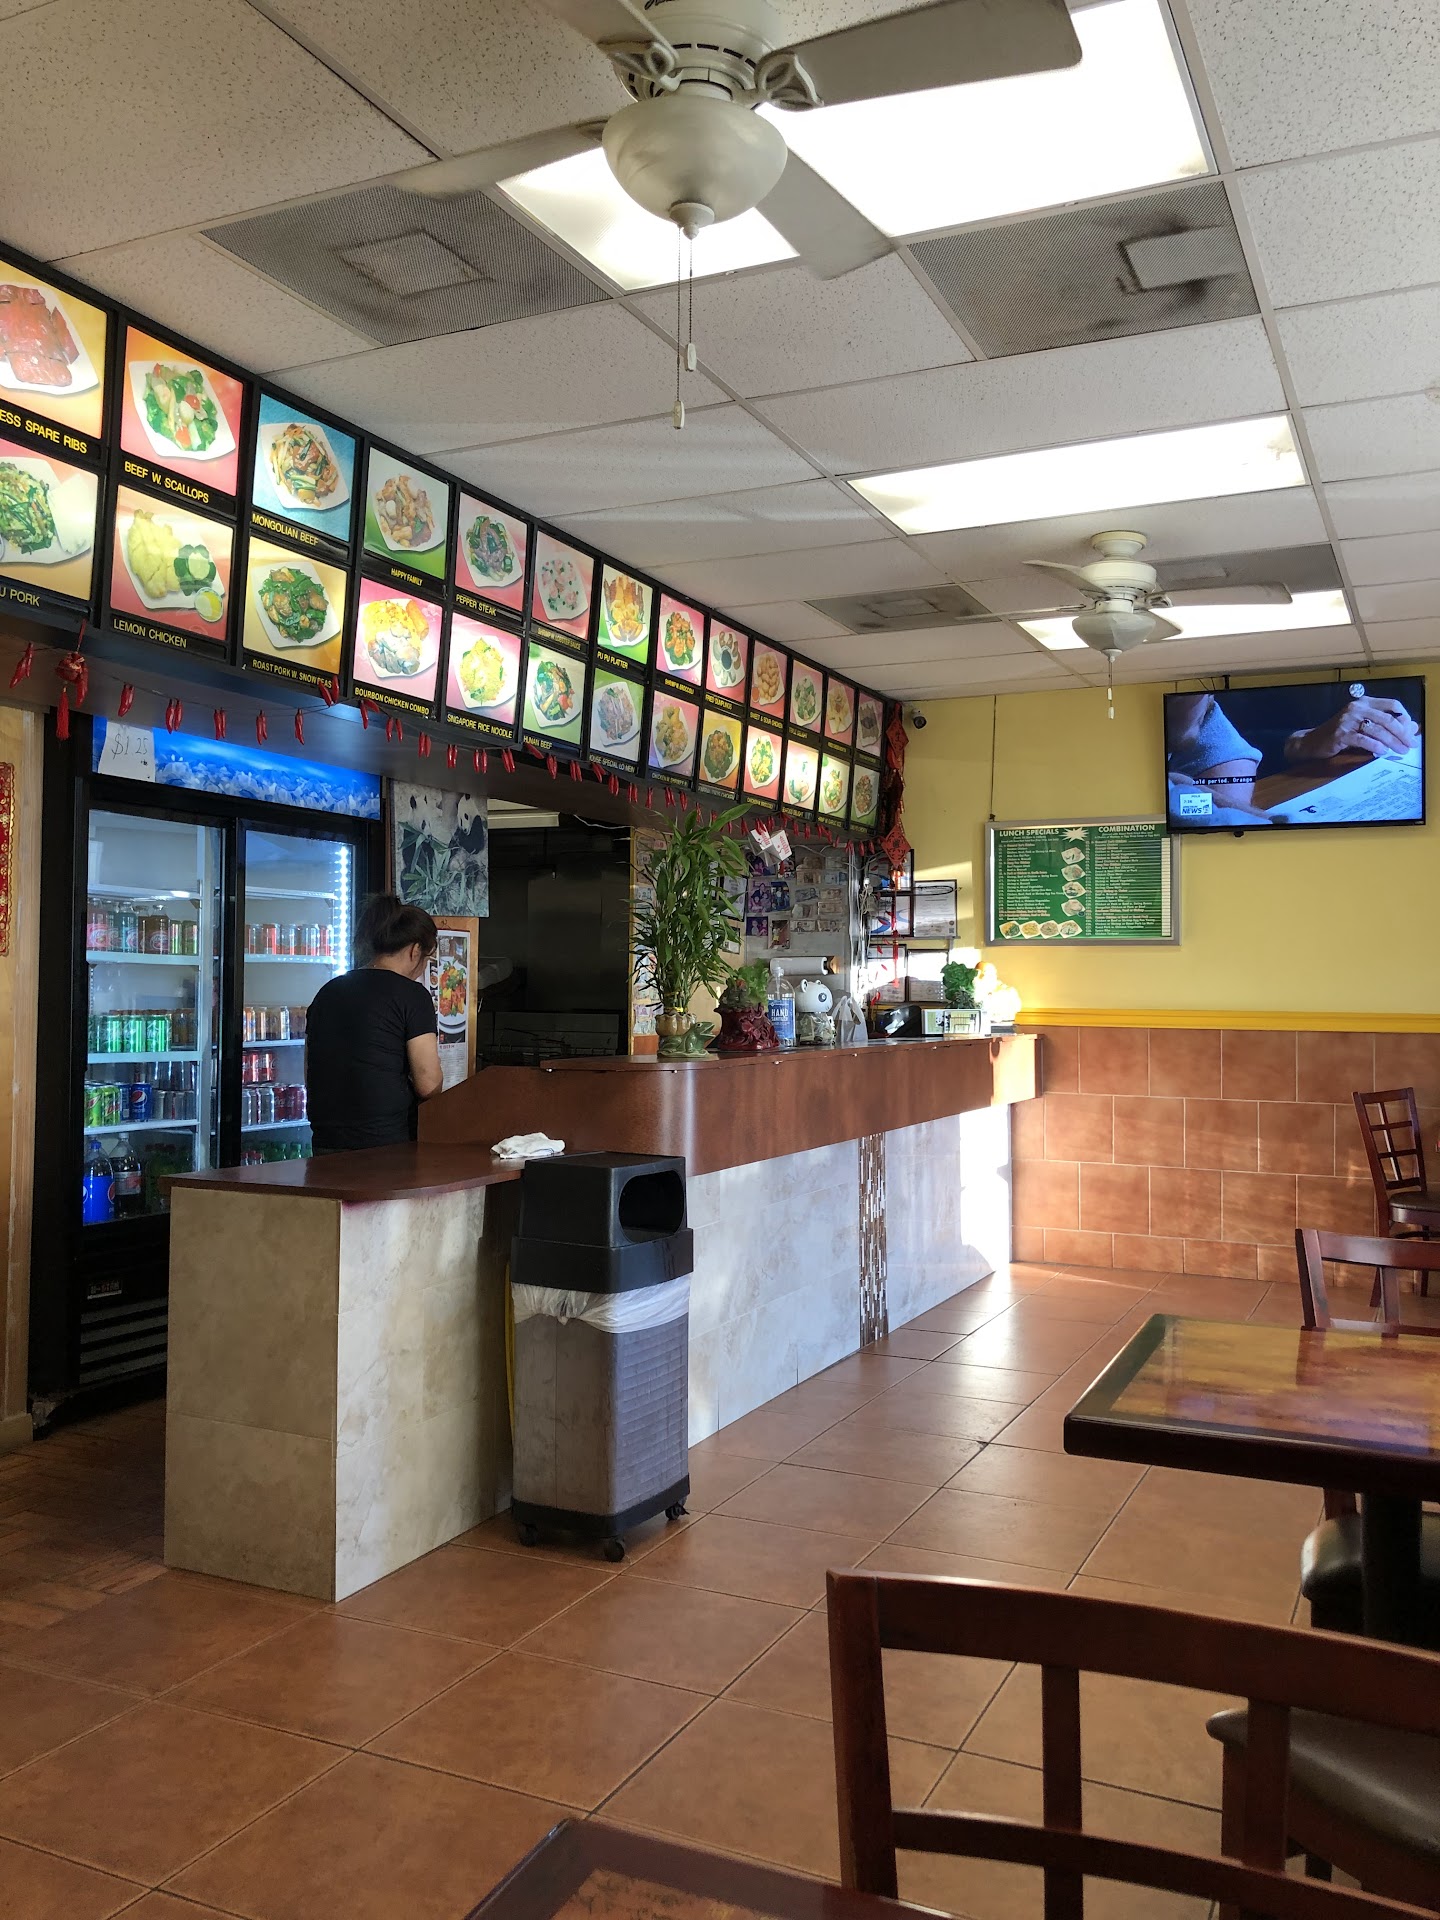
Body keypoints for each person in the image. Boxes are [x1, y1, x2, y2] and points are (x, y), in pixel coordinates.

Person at [305, 895, 444, 1154]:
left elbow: (310, 1069)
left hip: (326, 1140)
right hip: (385, 1143)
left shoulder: (328, 992)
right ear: (415, 951)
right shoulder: (413, 996)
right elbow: (428, 1083)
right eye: (427, 958)